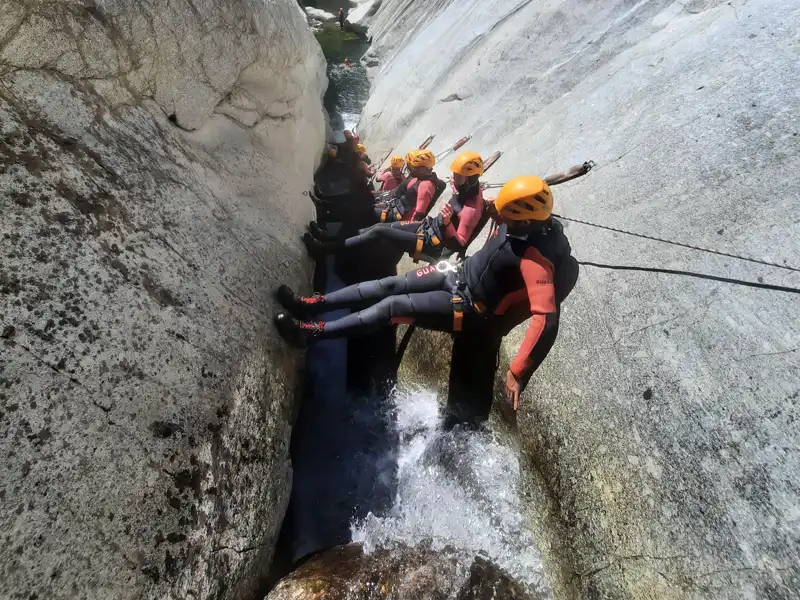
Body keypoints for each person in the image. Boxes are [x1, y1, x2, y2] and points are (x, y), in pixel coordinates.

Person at [275, 175, 579, 411]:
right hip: (456, 274)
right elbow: (493, 211)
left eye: (508, 214)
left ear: (525, 219)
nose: (502, 216)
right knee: (388, 285)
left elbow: (546, 319)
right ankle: (312, 305)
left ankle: (310, 334)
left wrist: (519, 371)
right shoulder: (524, 222)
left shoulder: (536, 260)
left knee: (390, 307)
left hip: (469, 308)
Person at [304, 152, 485, 262]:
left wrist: (447, 224)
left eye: (458, 177)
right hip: (426, 227)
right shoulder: (465, 192)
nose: (453, 178)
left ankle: (324, 249)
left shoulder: (469, 209)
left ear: (471, 179)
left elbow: (459, 243)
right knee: (374, 225)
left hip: (430, 242)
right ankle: (328, 235)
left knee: (377, 230)